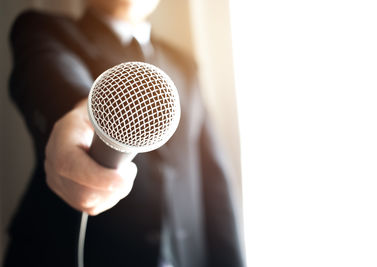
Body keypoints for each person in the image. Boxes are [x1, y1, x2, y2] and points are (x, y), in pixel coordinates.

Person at [4, 0, 244, 266]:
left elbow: (213, 183)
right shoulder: (45, 30)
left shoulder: (185, 66)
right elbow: (51, 73)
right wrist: (84, 112)